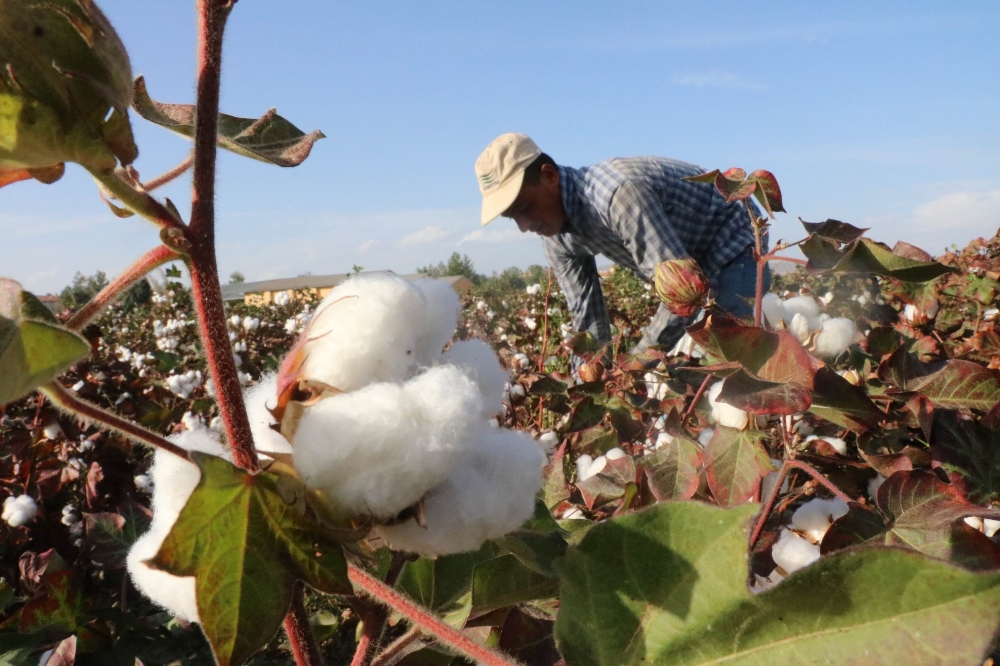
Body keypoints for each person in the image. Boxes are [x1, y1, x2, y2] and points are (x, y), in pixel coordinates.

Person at [475, 132, 769, 352]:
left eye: (525, 208)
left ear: (549, 175)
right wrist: (593, 386)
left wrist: (639, 361)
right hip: (690, 259)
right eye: (512, 218)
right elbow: (587, 319)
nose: (524, 227)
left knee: (732, 354)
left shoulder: (618, 195)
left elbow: (681, 292)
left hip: (733, 242)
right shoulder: (555, 237)